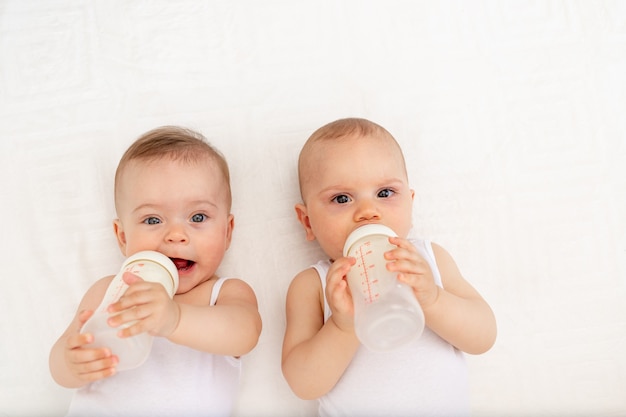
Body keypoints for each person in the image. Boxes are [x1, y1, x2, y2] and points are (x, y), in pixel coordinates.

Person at [281, 117, 497, 417]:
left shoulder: (429, 259)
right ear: (307, 222)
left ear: (410, 203)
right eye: (341, 198)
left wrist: (432, 299)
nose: (368, 212)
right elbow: (303, 384)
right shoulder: (314, 285)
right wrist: (342, 326)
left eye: (385, 193)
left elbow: (483, 336)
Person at [49, 126, 262, 416]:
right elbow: (60, 366)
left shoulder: (224, 293)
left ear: (227, 232)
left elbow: (245, 333)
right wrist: (73, 362)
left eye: (197, 217)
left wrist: (174, 319)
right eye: (152, 220)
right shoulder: (110, 290)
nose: (176, 234)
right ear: (122, 237)